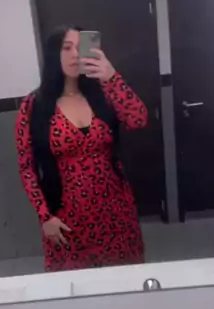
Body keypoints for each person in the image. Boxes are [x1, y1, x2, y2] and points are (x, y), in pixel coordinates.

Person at [15, 25, 148, 272]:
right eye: (67, 48)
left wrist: (111, 76)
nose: (75, 54)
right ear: (54, 55)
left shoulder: (103, 94)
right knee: (76, 285)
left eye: (80, 47)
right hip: (67, 218)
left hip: (115, 211)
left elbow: (138, 119)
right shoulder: (34, 106)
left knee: (123, 279)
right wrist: (45, 217)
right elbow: (27, 168)